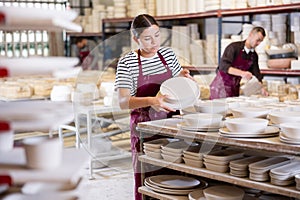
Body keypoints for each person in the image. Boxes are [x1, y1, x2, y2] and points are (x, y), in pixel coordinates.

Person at [114, 14, 192, 200]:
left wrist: (184, 77)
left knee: (175, 176)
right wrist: (152, 101)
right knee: (147, 178)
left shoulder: (168, 55)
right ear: (136, 39)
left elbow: (176, 82)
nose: (154, 42)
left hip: (172, 124)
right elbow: (123, 101)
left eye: (157, 35)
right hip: (144, 127)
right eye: (147, 38)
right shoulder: (127, 63)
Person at [209, 26, 269, 99]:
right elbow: (223, 66)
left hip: (234, 88)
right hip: (220, 88)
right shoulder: (233, 47)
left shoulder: (253, 55)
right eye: (258, 40)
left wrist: (262, 89)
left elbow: (257, 74)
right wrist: (242, 73)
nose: (258, 43)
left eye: (261, 41)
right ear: (250, 35)